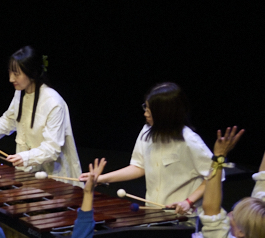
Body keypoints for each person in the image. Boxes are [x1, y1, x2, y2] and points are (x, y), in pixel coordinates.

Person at [84, 81, 215, 212]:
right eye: (145, 108)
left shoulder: (190, 141)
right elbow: (138, 167)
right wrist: (101, 179)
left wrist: (188, 201)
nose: (145, 114)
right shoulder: (147, 131)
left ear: (164, 114)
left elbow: (215, 176)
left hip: (182, 217)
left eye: (149, 110)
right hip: (154, 213)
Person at [0, 45, 82, 180]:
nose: (11, 79)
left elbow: (52, 148)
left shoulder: (54, 103)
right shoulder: (20, 93)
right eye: (10, 72)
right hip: (27, 172)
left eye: (16, 74)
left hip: (55, 177)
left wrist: (25, 157)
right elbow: (7, 122)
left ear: (32, 73)